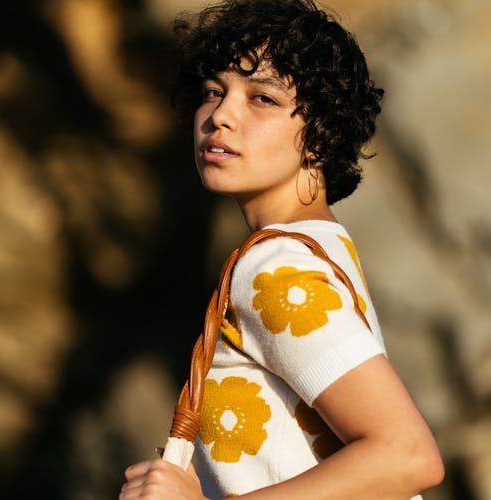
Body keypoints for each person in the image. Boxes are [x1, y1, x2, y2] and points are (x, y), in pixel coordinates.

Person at [119, 0, 445, 498]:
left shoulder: (276, 267)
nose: (219, 116)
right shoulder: (322, 248)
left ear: (323, 133)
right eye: (212, 91)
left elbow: (407, 455)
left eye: (262, 99)